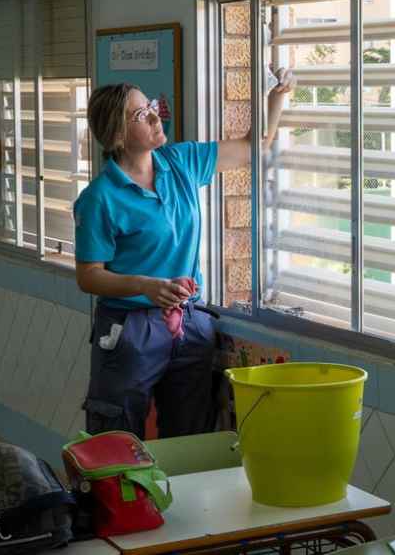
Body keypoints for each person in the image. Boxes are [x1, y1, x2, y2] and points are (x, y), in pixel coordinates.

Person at [73, 70, 296, 437]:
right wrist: (145, 285)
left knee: (190, 433)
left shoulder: (181, 162)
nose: (155, 115)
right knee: (116, 438)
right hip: (130, 329)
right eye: (140, 115)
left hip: (188, 322)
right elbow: (89, 275)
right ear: (116, 135)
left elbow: (254, 145)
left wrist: (277, 97)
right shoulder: (100, 198)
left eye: (151, 106)